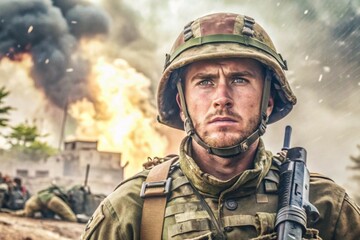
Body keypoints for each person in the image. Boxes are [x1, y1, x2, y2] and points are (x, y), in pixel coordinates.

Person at [81, 12, 360, 240]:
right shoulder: (131, 209)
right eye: (205, 81)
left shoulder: (326, 207)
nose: (222, 99)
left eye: (240, 79)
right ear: (182, 103)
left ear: (269, 101)